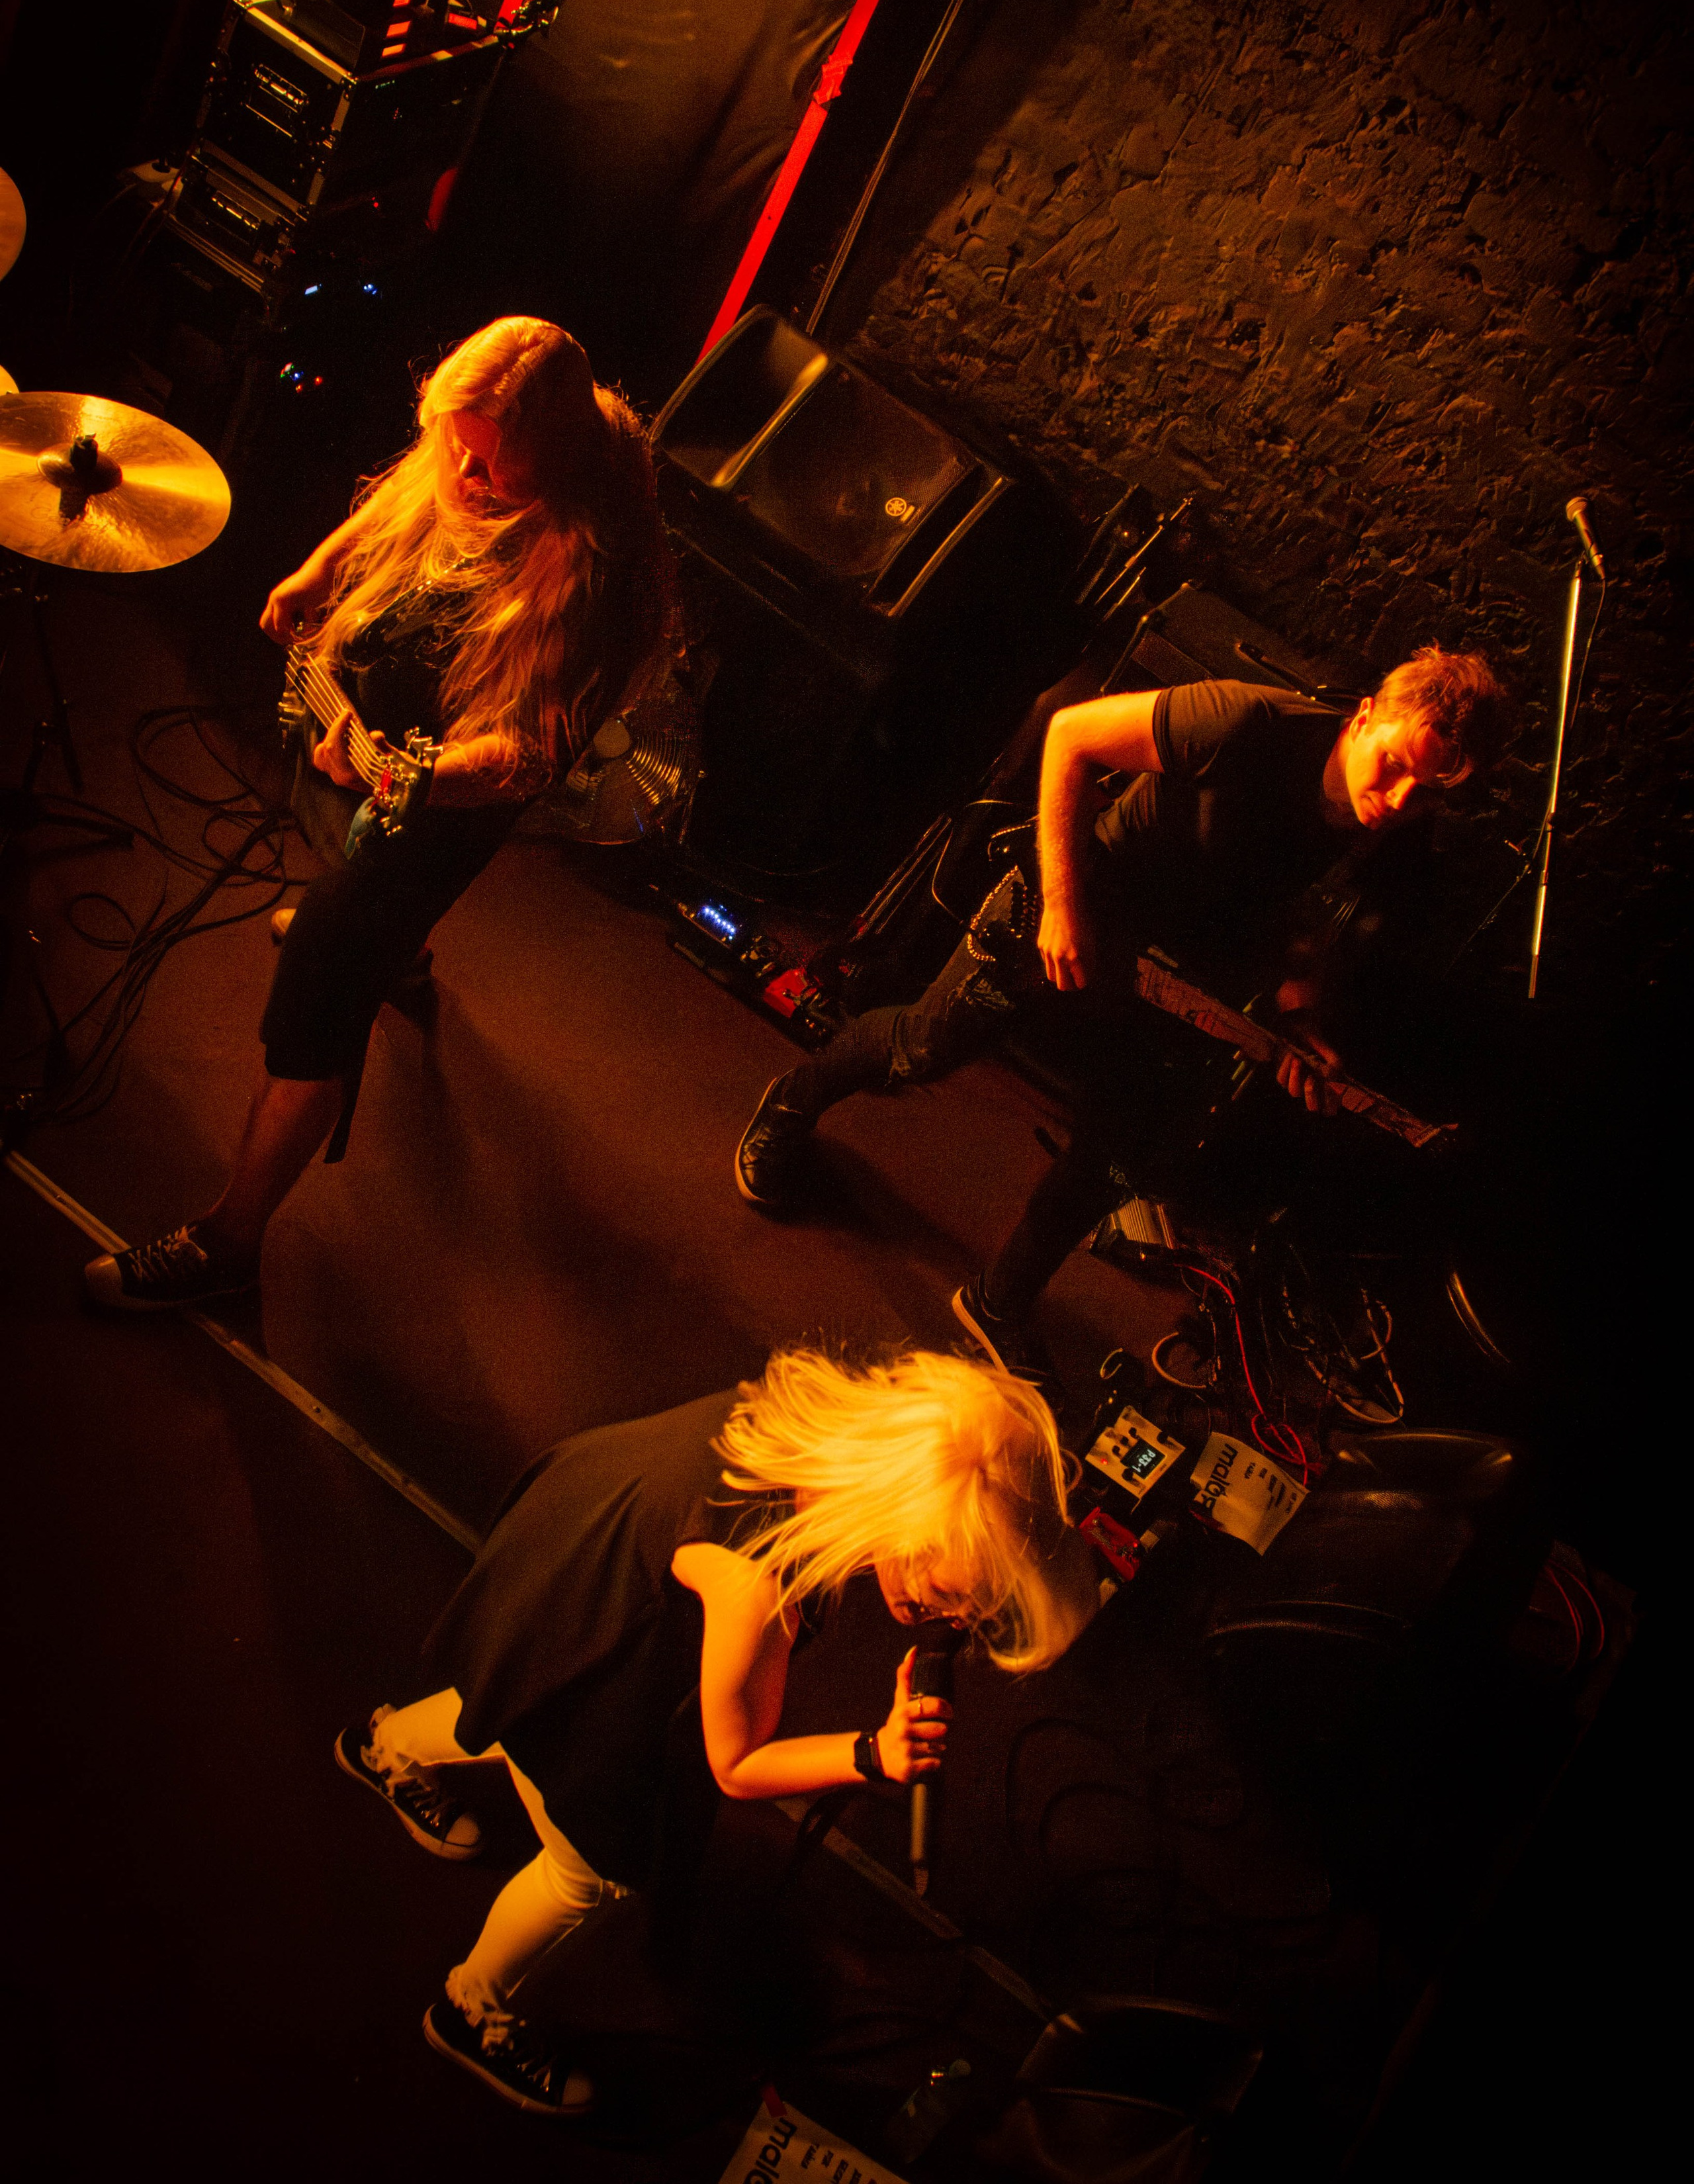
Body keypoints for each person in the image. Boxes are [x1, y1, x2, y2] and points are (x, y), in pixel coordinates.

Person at [335, 1346, 1100, 2116]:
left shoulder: (817, 1429)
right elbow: (735, 1764)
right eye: (948, 1589)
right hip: (604, 1633)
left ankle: (386, 1745)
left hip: (568, 1568)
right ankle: (473, 2007)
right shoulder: (756, 1582)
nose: (958, 1617)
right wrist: (875, 1751)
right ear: (901, 1518)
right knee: (589, 1872)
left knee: (509, 1698)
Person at [87, 317, 670, 1310]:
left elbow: (524, 757)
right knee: (346, 859)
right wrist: (320, 570)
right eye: (455, 444)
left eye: (490, 468)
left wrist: (399, 779)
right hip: (398, 743)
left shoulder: (592, 570)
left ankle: (228, 1247)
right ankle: (400, 956)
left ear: (554, 460)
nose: (461, 476)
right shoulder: (472, 442)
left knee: (323, 969)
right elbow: (414, 490)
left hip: (446, 790)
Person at [735, 648, 1510, 1381]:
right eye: (1396, 763)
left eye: (1432, 787)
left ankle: (997, 1301)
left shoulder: (1399, 837)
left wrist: (1301, 1025)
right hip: (1080, 897)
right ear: (1366, 715)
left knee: (1114, 1154)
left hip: (1180, 970)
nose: (1403, 796)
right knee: (921, 1049)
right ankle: (792, 1099)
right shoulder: (1249, 723)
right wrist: (1065, 907)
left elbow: (1304, 925)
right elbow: (1072, 733)